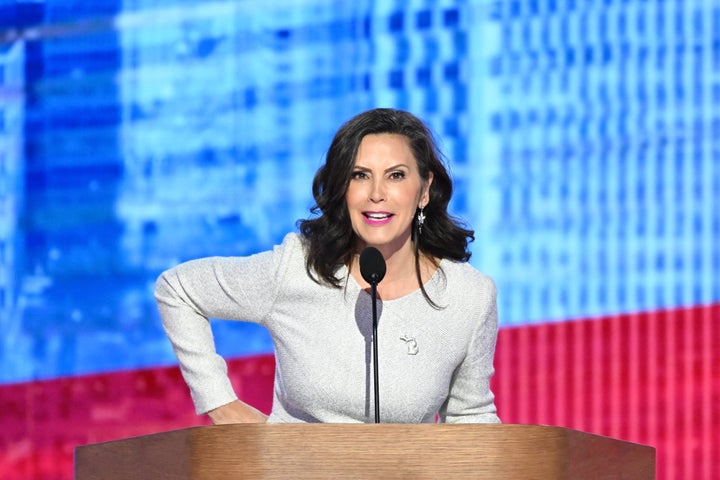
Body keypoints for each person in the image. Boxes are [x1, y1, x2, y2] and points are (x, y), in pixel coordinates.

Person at [154, 108, 500, 424]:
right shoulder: (296, 268)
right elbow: (178, 289)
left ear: (424, 190)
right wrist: (221, 403)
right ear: (342, 188)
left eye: (395, 176)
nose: (376, 193)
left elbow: (470, 416)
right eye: (360, 175)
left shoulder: (469, 296)